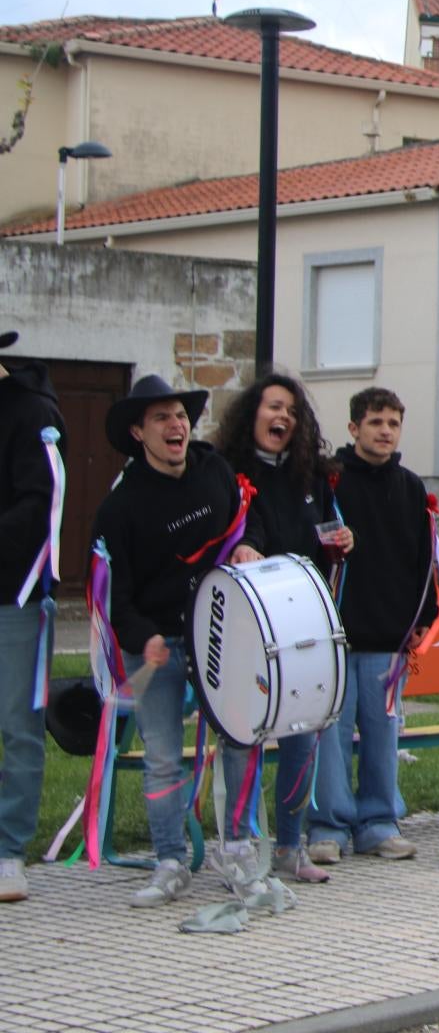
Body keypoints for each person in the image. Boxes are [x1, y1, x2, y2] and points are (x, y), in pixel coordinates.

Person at [89, 374, 249, 906]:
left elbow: (249, 523)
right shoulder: (120, 507)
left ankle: (240, 852)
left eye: (180, 415)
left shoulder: (214, 470)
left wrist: (250, 544)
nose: (176, 425)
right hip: (155, 641)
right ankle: (169, 860)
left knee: (240, 739)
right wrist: (146, 638)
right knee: (162, 757)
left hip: (219, 634)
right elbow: (115, 597)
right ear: (139, 432)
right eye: (161, 417)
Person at [212, 374, 353, 884]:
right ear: (253, 414)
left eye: (292, 411)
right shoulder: (224, 472)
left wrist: (338, 544)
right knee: (243, 738)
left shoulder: (311, 479)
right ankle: (239, 846)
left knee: (302, 734)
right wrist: (241, 547)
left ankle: (289, 846)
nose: (284, 418)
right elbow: (229, 532)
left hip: (301, 626)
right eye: (275, 407)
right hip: (247, 629)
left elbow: (319, 542)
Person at [306, 388, 435, 864]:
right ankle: (328, 825)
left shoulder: (411, 486)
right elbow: (312, 541)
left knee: (383, 732)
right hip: (335, 633)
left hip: (389, 635)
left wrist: (421, 618)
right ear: (354, 427)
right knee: (332, 733)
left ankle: (380, 821)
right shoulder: (330, 481)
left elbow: (424, 558)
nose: (385, 431)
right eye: (376, 421)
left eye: (393, 423)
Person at [0, 330, 64, 902]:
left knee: (19, 727)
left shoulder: (30, 410)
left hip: (12, 595)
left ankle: (7, 851)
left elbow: (40, 501)